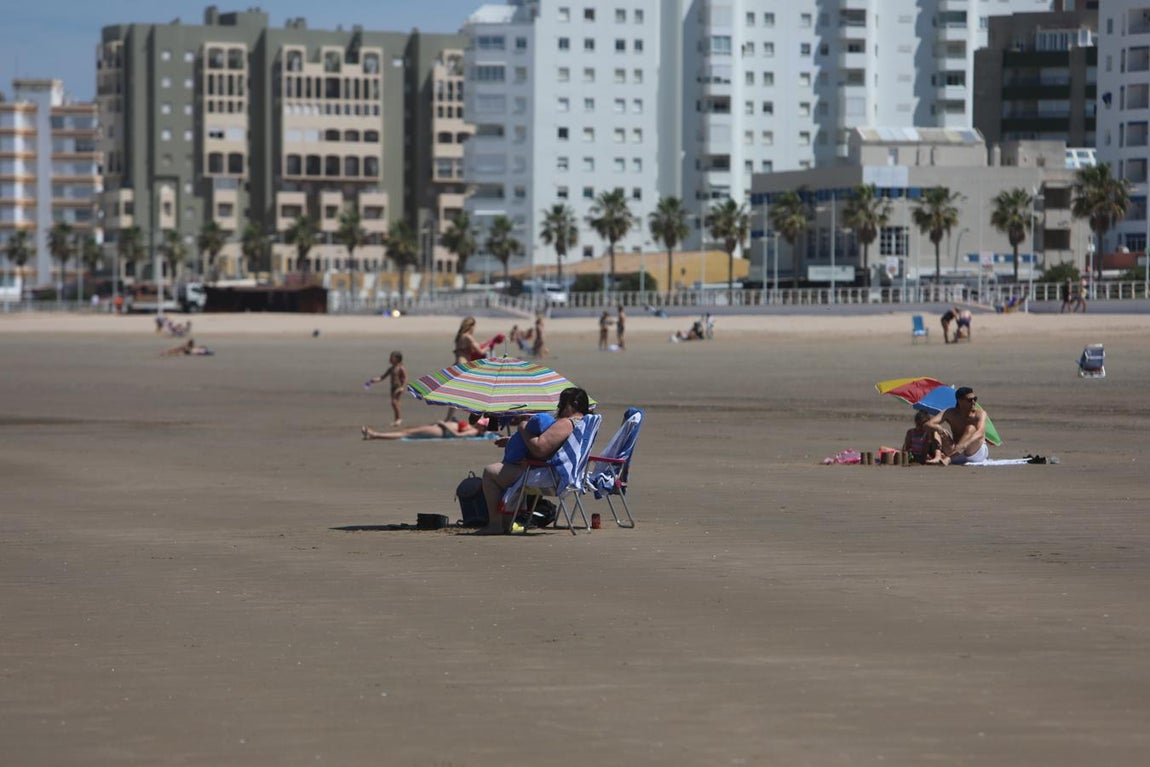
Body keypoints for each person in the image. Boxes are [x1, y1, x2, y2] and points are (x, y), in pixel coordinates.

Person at [478, 387, 591, 534]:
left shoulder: (567, 423)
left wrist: (523, 428)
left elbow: (540, 448)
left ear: (572, 404)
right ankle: (506, 523)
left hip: (551, 476)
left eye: (562, 403)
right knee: (504, 470)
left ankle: (495, 523)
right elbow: (555, 446)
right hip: (564, 473)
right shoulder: (584, 423)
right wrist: (515, 441)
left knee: (490, 472)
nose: (559, 407)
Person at [923, 386, 988, 465]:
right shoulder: (950, 412)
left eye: (975, 399)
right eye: (969, 400)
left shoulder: (980, 414)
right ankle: (938, 456)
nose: (973, 402)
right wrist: (938, 428)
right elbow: (927, 424)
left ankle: (949, 458)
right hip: (955, 452)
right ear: (960, 401)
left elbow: (980, 432)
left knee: (970, 428)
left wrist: (965, 445)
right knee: (935, 430)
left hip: (974, 453)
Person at [362, 413, 488, 441]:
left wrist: (444, 424)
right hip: (439, 428)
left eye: (480, 424)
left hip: (441, 431)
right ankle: (375, 435)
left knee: (407, 433)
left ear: (482, 429)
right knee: (407, 431)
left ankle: (375, 435)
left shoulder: (473, 433)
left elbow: (458, 435)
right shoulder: (473, 428)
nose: (478, 422)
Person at [364, 351, 408, 427]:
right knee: (395, 403)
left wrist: (402, 387)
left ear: (397, 359)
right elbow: (382, 377)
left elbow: (405, 378)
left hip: (398, 387)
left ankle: (399, 419)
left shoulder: (401, 368)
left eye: (392, 358)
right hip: (393, 388)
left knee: (394, 402)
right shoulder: (391, 369)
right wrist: (372, 380)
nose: (390, 359)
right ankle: (396, 419)